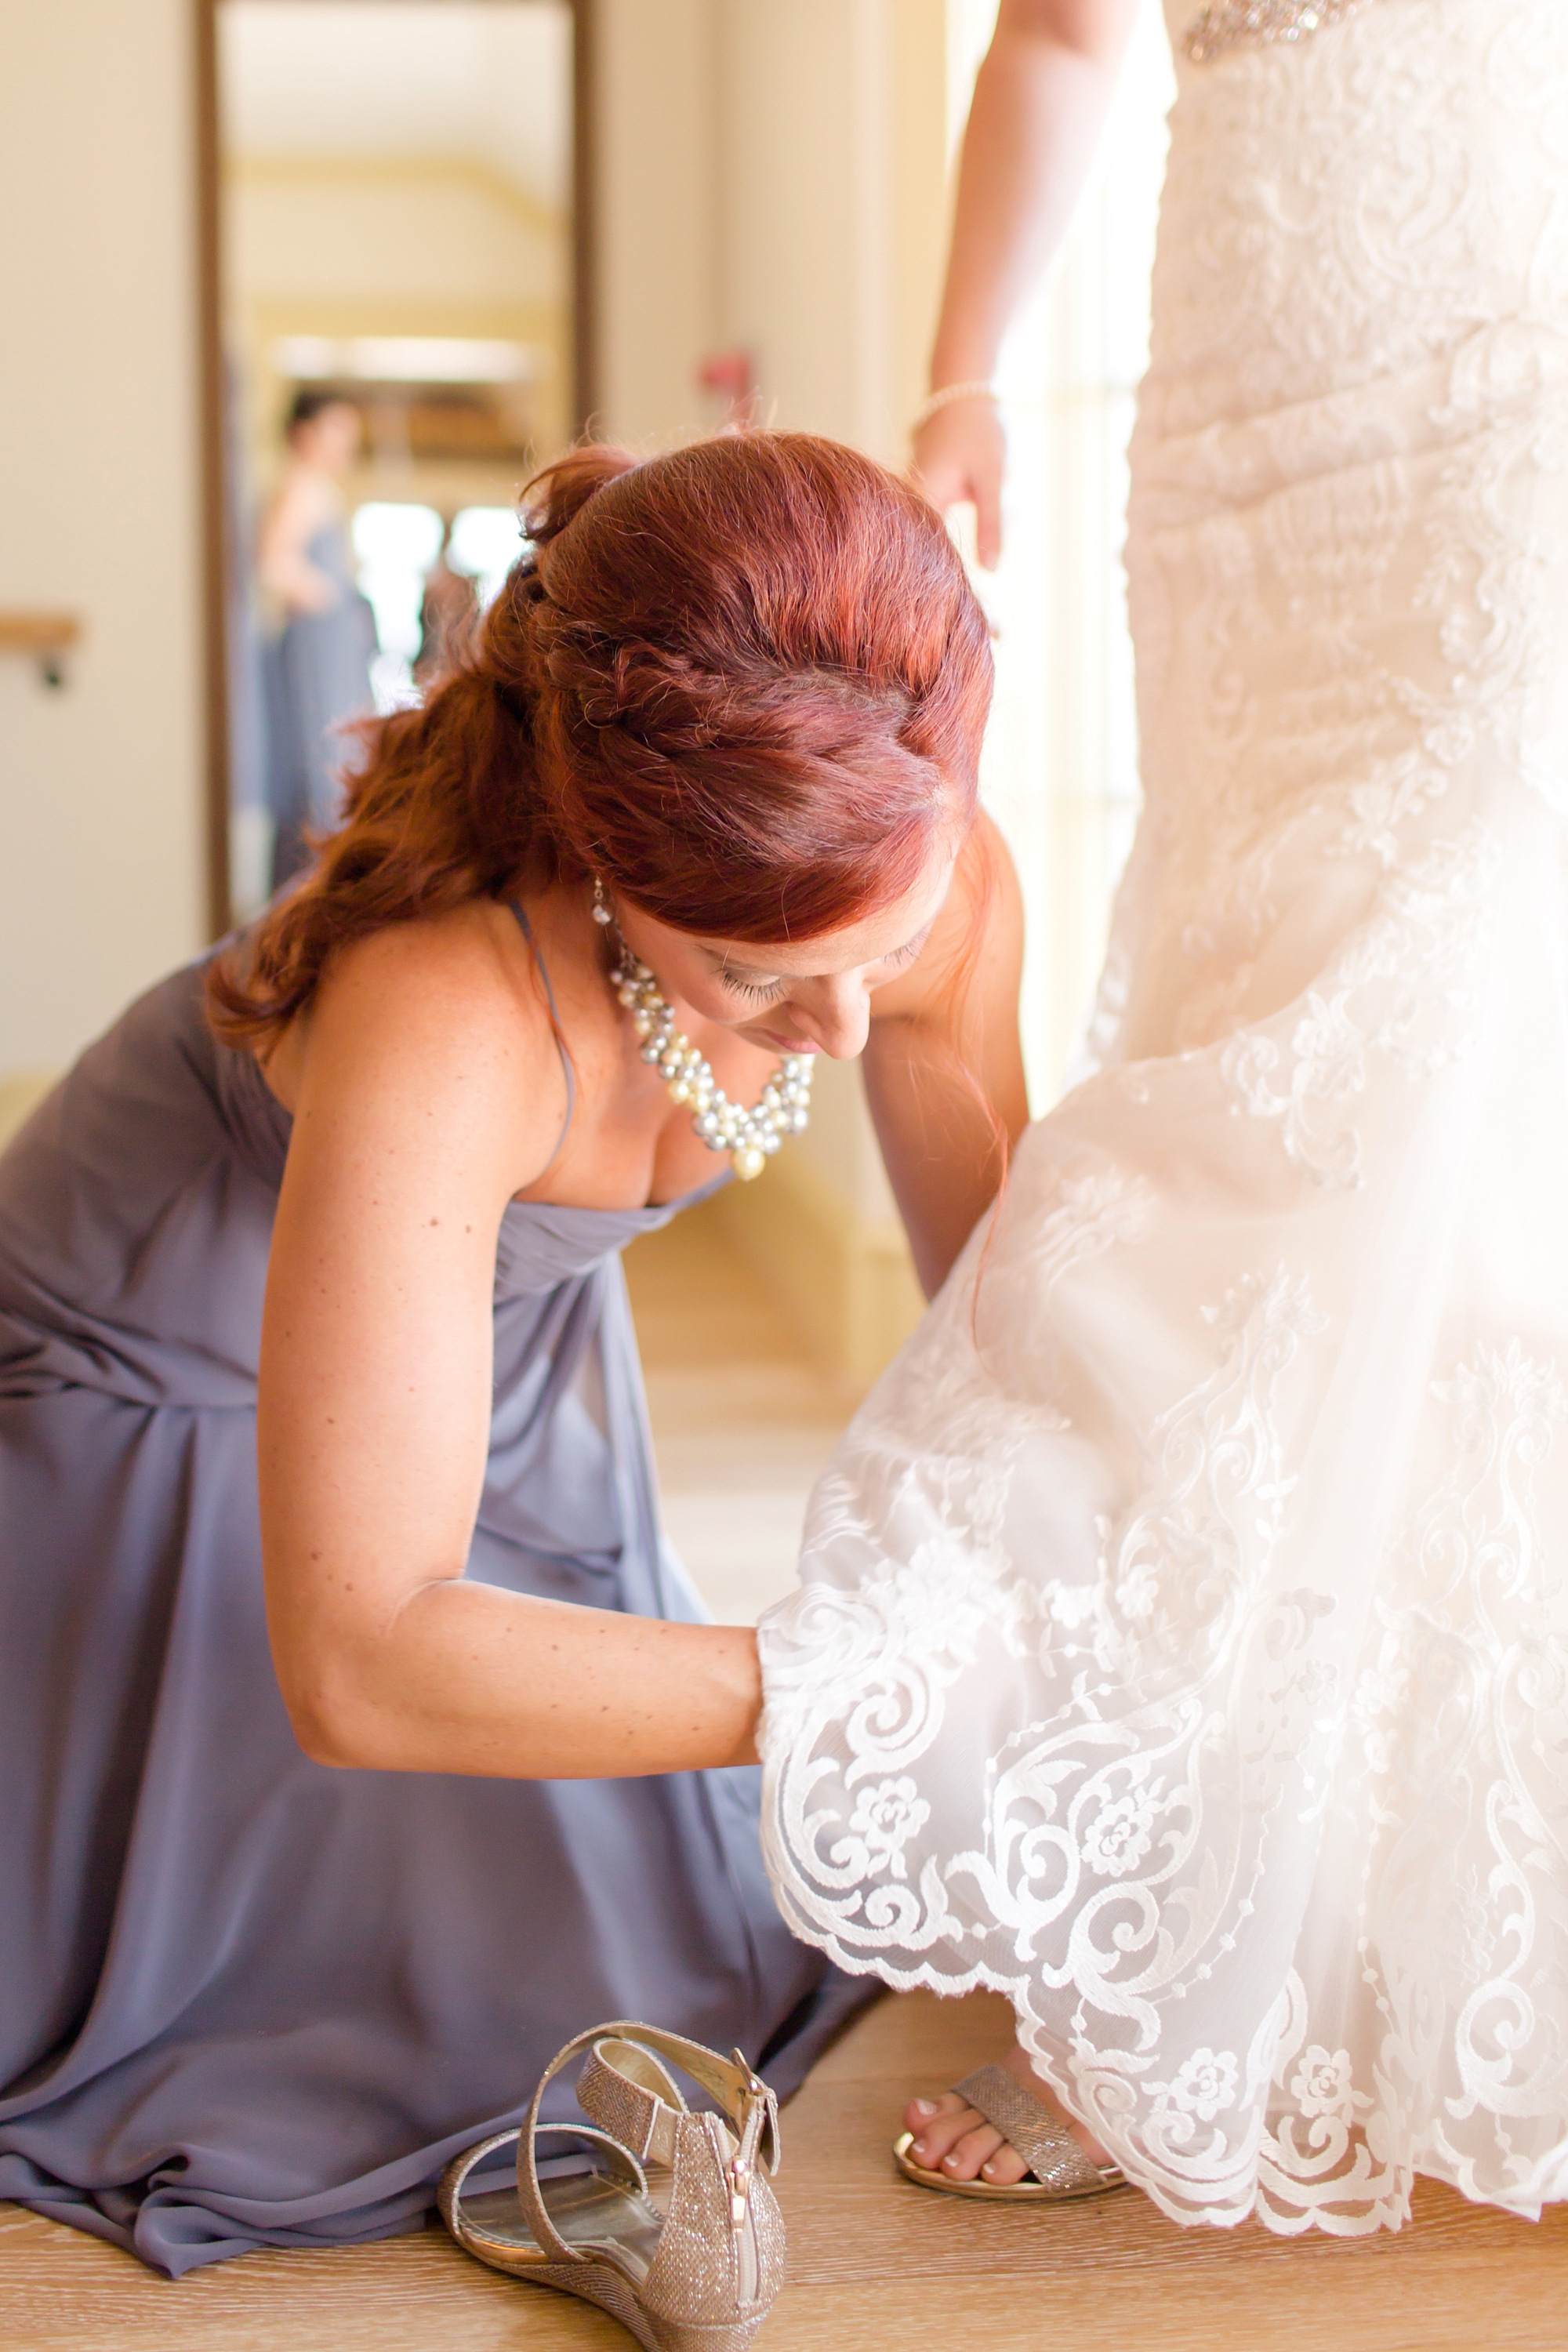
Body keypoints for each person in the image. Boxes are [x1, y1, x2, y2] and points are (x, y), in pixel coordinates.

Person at [0, 433, 1025, 2274]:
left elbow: (1023, 1357)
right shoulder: (450, 1007)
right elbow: (368, 1657)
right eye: (757, 981)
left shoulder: (911, 884)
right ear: (602, 863)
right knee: (339, 2008)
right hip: (134, 1421)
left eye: (882, 947)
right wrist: (859, 1692)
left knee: (641, 1945)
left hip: (465, 1351)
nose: (851, 1022)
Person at [757, 0, 1568, 2235]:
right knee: (1253, 1021)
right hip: (1250, 386)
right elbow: (1063, 26)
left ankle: (1450, 1920)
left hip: (1515, 315)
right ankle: (1186, 1903)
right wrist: (960, 373)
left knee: (1465, 1018)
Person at [258, 389, 378, 887]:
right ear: (305, 433)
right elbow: (272, 562)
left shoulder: (315, 488)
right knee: (318, 760)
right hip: (316, 646)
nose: (347, 443)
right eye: (337, 429)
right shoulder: (301, 487)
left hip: (327, 645)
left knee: (330, 758)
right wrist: (330, 596)